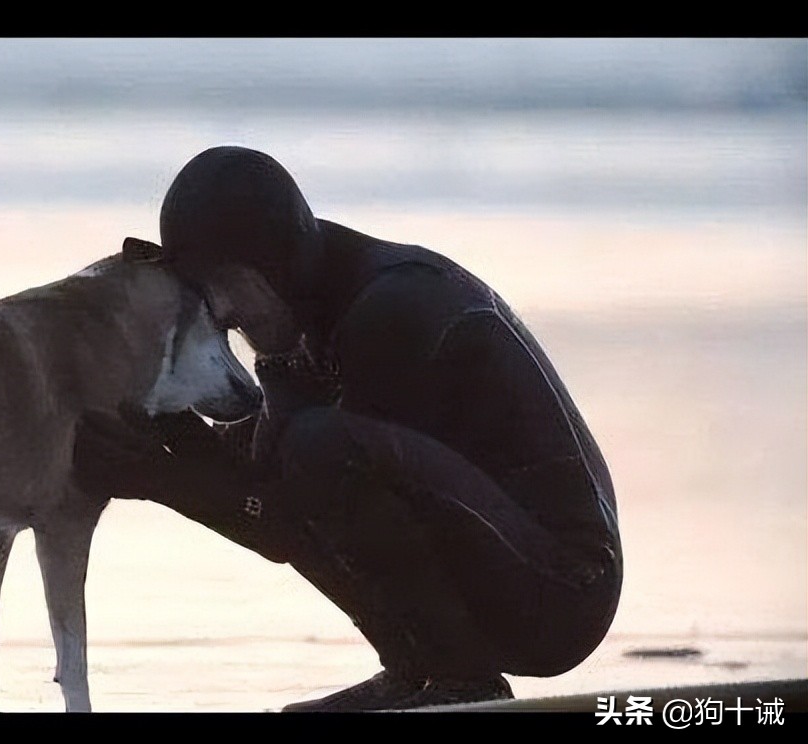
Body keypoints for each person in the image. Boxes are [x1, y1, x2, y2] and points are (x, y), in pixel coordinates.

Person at [73, 146, 623, 711]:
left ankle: (461, 680)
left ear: (272, 263)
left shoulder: (394, 307)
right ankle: (417, 670)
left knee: (319, 450)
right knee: (303, 450)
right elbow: (266, 489)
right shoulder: (301, 319)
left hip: (563, 592)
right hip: (500, 566)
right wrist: (168, 431)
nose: (224, 314)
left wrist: (164, 478)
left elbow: (286, 515)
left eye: (225, 286)